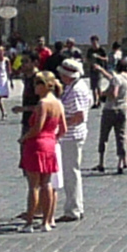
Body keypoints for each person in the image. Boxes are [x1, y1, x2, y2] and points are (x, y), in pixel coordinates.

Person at [17, 73, 61, 232]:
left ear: (43, 85)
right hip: (50, 144)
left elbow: (37, 127)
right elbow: (63, 128)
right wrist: (54, 138)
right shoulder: (57, 103)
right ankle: (46, 222)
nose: (34, 87)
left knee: (33, 186)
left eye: (37, 84)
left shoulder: (43, 103)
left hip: (37, 145)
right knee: (47, 183)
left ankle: (29, 222)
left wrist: (24, 138)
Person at [56, 59, 91, 223]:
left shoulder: (76, 90)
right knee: (71, 172)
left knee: (71, 173)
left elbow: (79, 116)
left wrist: (61, 123)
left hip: (72, 135)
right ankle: (76, 206)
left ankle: (73, 209)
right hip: (72, 134)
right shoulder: (76, 86)